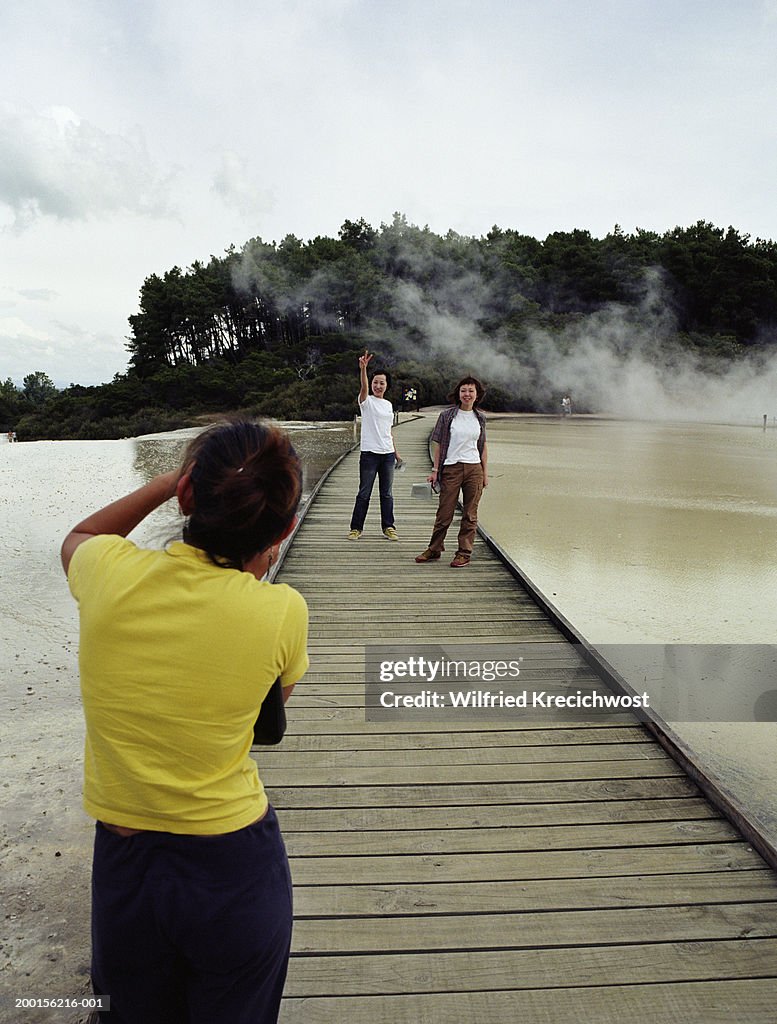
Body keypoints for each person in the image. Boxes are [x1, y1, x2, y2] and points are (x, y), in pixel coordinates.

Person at [61, 420, 309, 1024]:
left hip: (127, 868)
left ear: (187, 498)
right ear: (283, 529)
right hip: (235, 866)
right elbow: (265, 710)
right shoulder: (281, 610)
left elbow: (81, 533)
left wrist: (167, 483)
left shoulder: (107, 572)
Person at [415, 376, 488, 568]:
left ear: (477, 395)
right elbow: (437, 444)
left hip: (474, 469)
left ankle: (464, 552)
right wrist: (435, 470)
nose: (467, 394)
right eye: (464, 390)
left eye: (471, 391)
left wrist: (485, 473)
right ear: (458, 393)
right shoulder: (447, 416)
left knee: (470, 514)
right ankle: (434, 548)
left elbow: (483, 446)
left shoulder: (480, 417)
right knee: (444, 512)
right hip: (451, 468)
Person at [348, 350, 400, 541]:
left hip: (387, 454)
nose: (378, 385)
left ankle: (388, 527)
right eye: (375, 382)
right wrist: (363, 370)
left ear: (387, 386)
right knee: (364, 493)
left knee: (387, 494)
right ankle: (356, 528)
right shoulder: (366, 401)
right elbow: (363, 388)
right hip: (369, 454)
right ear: (371, 383)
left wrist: (397, 454)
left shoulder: (388, 405)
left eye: (382, 383)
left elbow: (388, 432)